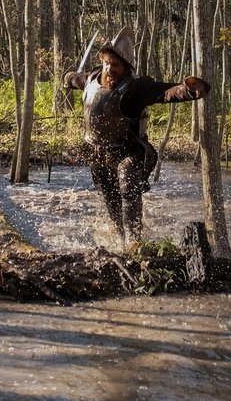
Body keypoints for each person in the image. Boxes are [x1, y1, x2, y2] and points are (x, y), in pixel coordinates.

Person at [63, 26, 210, 248]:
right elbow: (76, 79)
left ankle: (135, 245)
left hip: (129, 151)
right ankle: (119, 242)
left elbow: (165, 92)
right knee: (112, 200)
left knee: (126, 180)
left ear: (125, 67)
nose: (110, 69)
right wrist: (67, 77)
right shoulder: (93, 78)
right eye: (107, 63)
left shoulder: (135, 88)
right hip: (98, 152)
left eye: (115, 65)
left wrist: (189, 89)